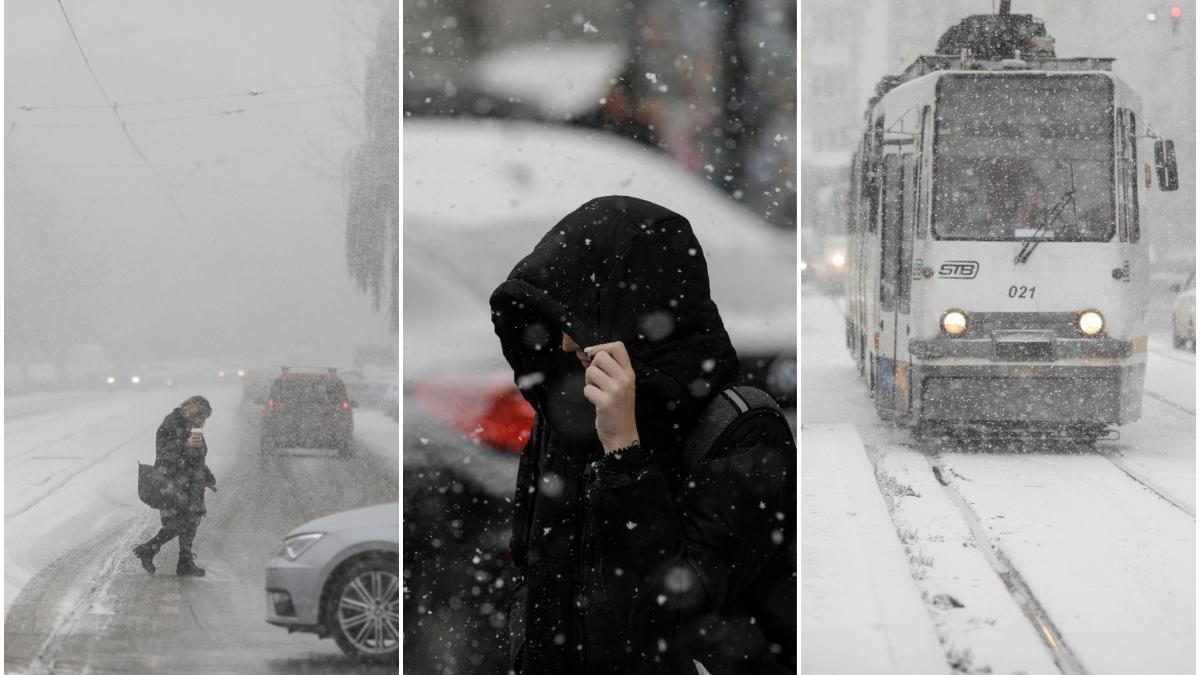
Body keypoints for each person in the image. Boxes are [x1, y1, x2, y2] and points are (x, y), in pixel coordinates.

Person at [490, 195, 796, 674]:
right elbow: (532, 569)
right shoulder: (569, 414)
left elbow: (677, 614)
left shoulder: (743, 429)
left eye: (579, 318)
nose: (566, 342)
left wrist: (625, 455)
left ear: (635, 313)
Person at [132, 395, 217, 577]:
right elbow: (164, 454)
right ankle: (149, 549)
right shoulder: (172, 423)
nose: (202, 422)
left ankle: (183, 561)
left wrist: (207, 476)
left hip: (192, 482)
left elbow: (197, 456)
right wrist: (185, 444)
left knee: (192, 520)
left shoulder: (192, 427)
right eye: (201, 417)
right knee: (179, 523)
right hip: (174, 481)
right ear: (193, 411)